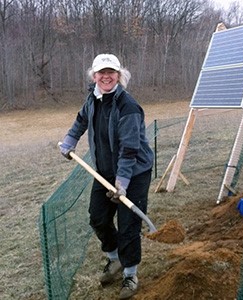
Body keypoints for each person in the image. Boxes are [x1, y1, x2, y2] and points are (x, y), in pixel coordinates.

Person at [59, 53, 154, 299]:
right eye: (101, 72)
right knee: (98, 218)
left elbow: (129, 150)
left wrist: (122, 184)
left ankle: (130, 274)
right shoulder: (93, 98)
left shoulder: (128, 107)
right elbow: (81, 120)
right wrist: (70, 140)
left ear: (119, 76)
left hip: (133, 172)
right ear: (94, 75)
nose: (106, 76)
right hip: (104, 171)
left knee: (128, 226)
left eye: (111, 72)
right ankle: (114, 259)